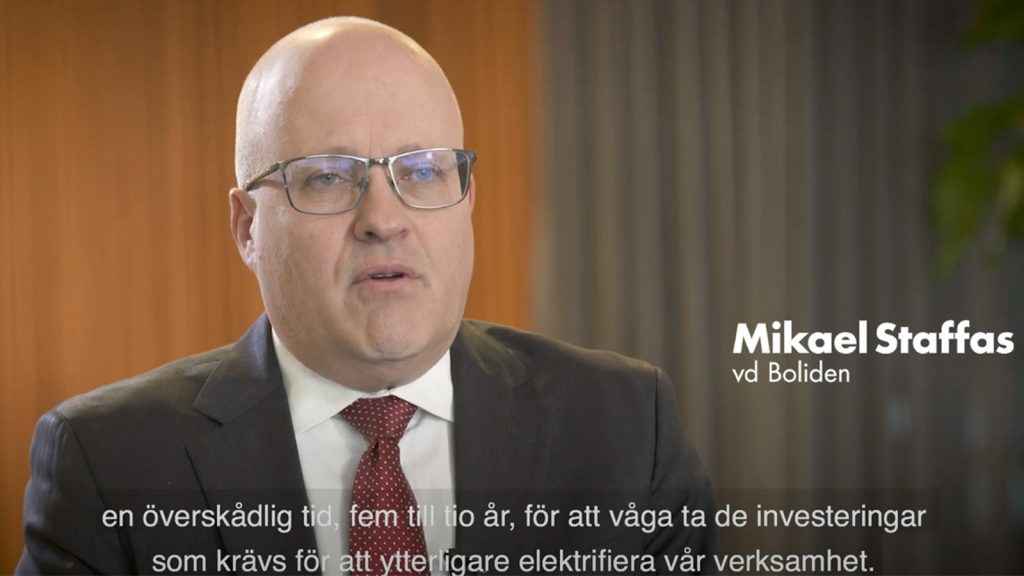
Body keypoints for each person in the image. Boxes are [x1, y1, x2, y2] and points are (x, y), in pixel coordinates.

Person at [17, 17, 714, 576]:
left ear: (467, 199)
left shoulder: (627, 427)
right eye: (327, 176)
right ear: (247, 227)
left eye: (423, 171)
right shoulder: (108, 462)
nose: (384, 218)